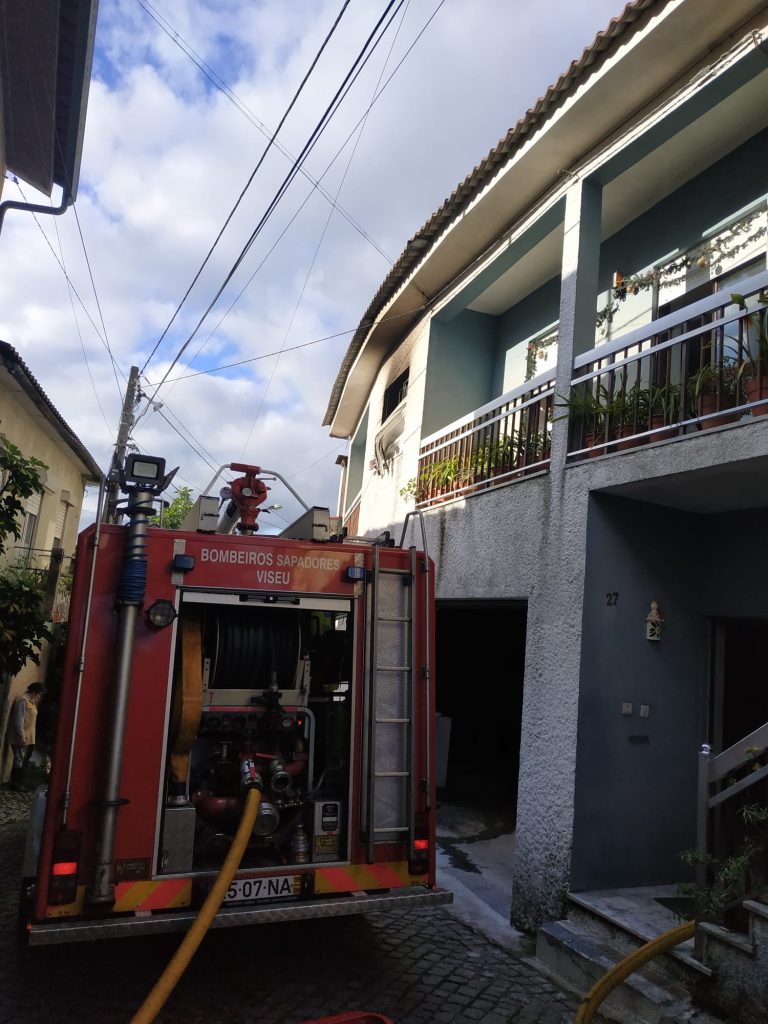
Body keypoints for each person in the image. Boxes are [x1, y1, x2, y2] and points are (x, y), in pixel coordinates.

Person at [8, 682, 44, 790]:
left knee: (21, 758)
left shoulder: (30, 702)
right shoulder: (23, 701)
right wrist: (21, 736)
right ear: (34, 692)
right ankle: (15, 783)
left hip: (28, 736)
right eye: (39, 694)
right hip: (20, 736)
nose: (39, 697)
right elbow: (19, 720)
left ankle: (18, 782)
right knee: (19, 758)